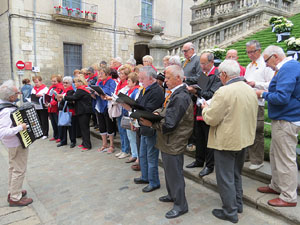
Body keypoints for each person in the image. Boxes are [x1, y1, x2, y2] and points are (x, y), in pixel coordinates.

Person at [202, 60, 258, 223]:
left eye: (220, 75)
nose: (219, 77)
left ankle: (230, 211)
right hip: (243, 139)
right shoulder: (249, 89)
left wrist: (205, 108)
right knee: (235, 174)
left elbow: (212, 119)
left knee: (225, 177)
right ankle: (237, 204)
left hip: (226, 141)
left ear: (225, 74)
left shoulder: (223, 91)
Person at [140, 65, 193, 219]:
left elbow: (170, 124)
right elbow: (167, 112)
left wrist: (151, 123)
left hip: (173, 140)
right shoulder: (175, 93)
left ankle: (181, 205)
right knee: (169, 172)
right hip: (168, 140)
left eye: (168, 78)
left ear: (178, 78)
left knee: (175, 174)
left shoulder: (181, 96)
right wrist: (158, 112)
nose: (165, 81)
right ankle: (172, 195)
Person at [256, 45, 300, 207]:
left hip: (286, 120)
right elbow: (278, 87)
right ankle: (277, 185)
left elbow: (281, 97)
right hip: (283, 119)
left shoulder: (289, 68)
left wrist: (262, 94)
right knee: (276, 155)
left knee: (285, 158)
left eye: (266, 60)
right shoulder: (288, 67)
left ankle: (288, 196)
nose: (266, 65)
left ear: (275, 56)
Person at [124, 66, 164, 192]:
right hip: (143, 126)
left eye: (142, 78)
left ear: (151, 78)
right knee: (143, 154)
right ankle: (145, 176)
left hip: (151, 127)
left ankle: (154, 181)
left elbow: (149, 110)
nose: (140, 81)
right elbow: (140, 103)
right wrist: (132, 108)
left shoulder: (156, 91)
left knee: (151, 156)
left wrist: (132, 110)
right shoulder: (145, 89)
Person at [186, 52, 222, 178]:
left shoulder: (217, 75)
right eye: (200, 63)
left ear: (212, 62)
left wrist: (196, 91)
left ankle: (209, 165)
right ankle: (199, 160)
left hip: (209, 109)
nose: (201, 66)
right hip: (199, 109)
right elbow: (195, 81)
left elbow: (212, 94)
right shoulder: (203, 74)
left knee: (208, 139)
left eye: (204, 64)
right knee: (199, 137)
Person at [0, 80, 33, 207]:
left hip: (12, 143)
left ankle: (13, 191)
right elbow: (2, 132)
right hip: (16, 143)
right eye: (17, 93)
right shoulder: (6, 111)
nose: (19, 94)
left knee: (13, 168)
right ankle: (15, 198)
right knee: (19, 170)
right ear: (11, 97)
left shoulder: (4, 105)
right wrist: (21, 127)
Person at [244, 40, 274, 170]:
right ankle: (246, 155)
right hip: (247, 101)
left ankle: (257, 160)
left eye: (252, 51)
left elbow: (272, 84)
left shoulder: (265, 65)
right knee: (246, 129)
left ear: (259, 50)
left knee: (257, 131)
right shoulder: (249, 66)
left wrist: (255, 84)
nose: (250, 54)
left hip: (258, 102)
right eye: (248, 52)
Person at [62, 75, 93, 151]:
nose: (74, 84)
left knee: (85, 129)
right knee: (83, 128)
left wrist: (63, 96)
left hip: (84, 111)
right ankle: (84, 143)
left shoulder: (81, 90)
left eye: (75, 82)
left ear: (80, 82)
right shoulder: (82, 89)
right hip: (83, 111)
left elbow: (74, 97)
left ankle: (87, 145)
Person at [94, 67, 117, 154]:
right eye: (99, 73)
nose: (99, 75)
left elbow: (112, 92)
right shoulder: (99, 82)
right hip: (99, 105)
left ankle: (111, 145)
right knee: (102, 125)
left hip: (108, 106)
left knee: (109, 125)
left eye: (101, 73)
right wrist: (94, 93)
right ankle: (104, 144)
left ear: (107, 74)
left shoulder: (112, 82)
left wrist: (102, 92)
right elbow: (96, 93)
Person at [125, 72, 141, 163]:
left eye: (129, 81)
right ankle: (134, 154)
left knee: (135, 137)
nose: (127, 82)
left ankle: (138, 156)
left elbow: (135, 104)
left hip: (134, 115)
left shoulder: (136, 91)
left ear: (135, 82)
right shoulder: (129, 90)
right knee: (130, 136)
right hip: (129, 114)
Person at [57, 76, 76, 148]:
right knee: (63, 127)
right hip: (63, 110)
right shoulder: (63, 90)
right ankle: (63, 141)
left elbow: (70, 100)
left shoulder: (71, 90)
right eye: (64, 82)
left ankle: (73, 141)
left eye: (66, 83)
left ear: (70, 84)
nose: (64, 84)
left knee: (71, 128)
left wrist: (62, 99)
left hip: (69, 111)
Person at [47, 74, 64, 143]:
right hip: (50, 107)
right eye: (52, 81)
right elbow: (48, 96)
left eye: (55, 81)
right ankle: (55, 135)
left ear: (58, 81)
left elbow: (57, 98)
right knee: (53, 123)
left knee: (58, 123)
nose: (53, 83)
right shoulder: (51, 87)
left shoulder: (60, 87)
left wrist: (51, 103)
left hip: (56, 107)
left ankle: (60, 136)